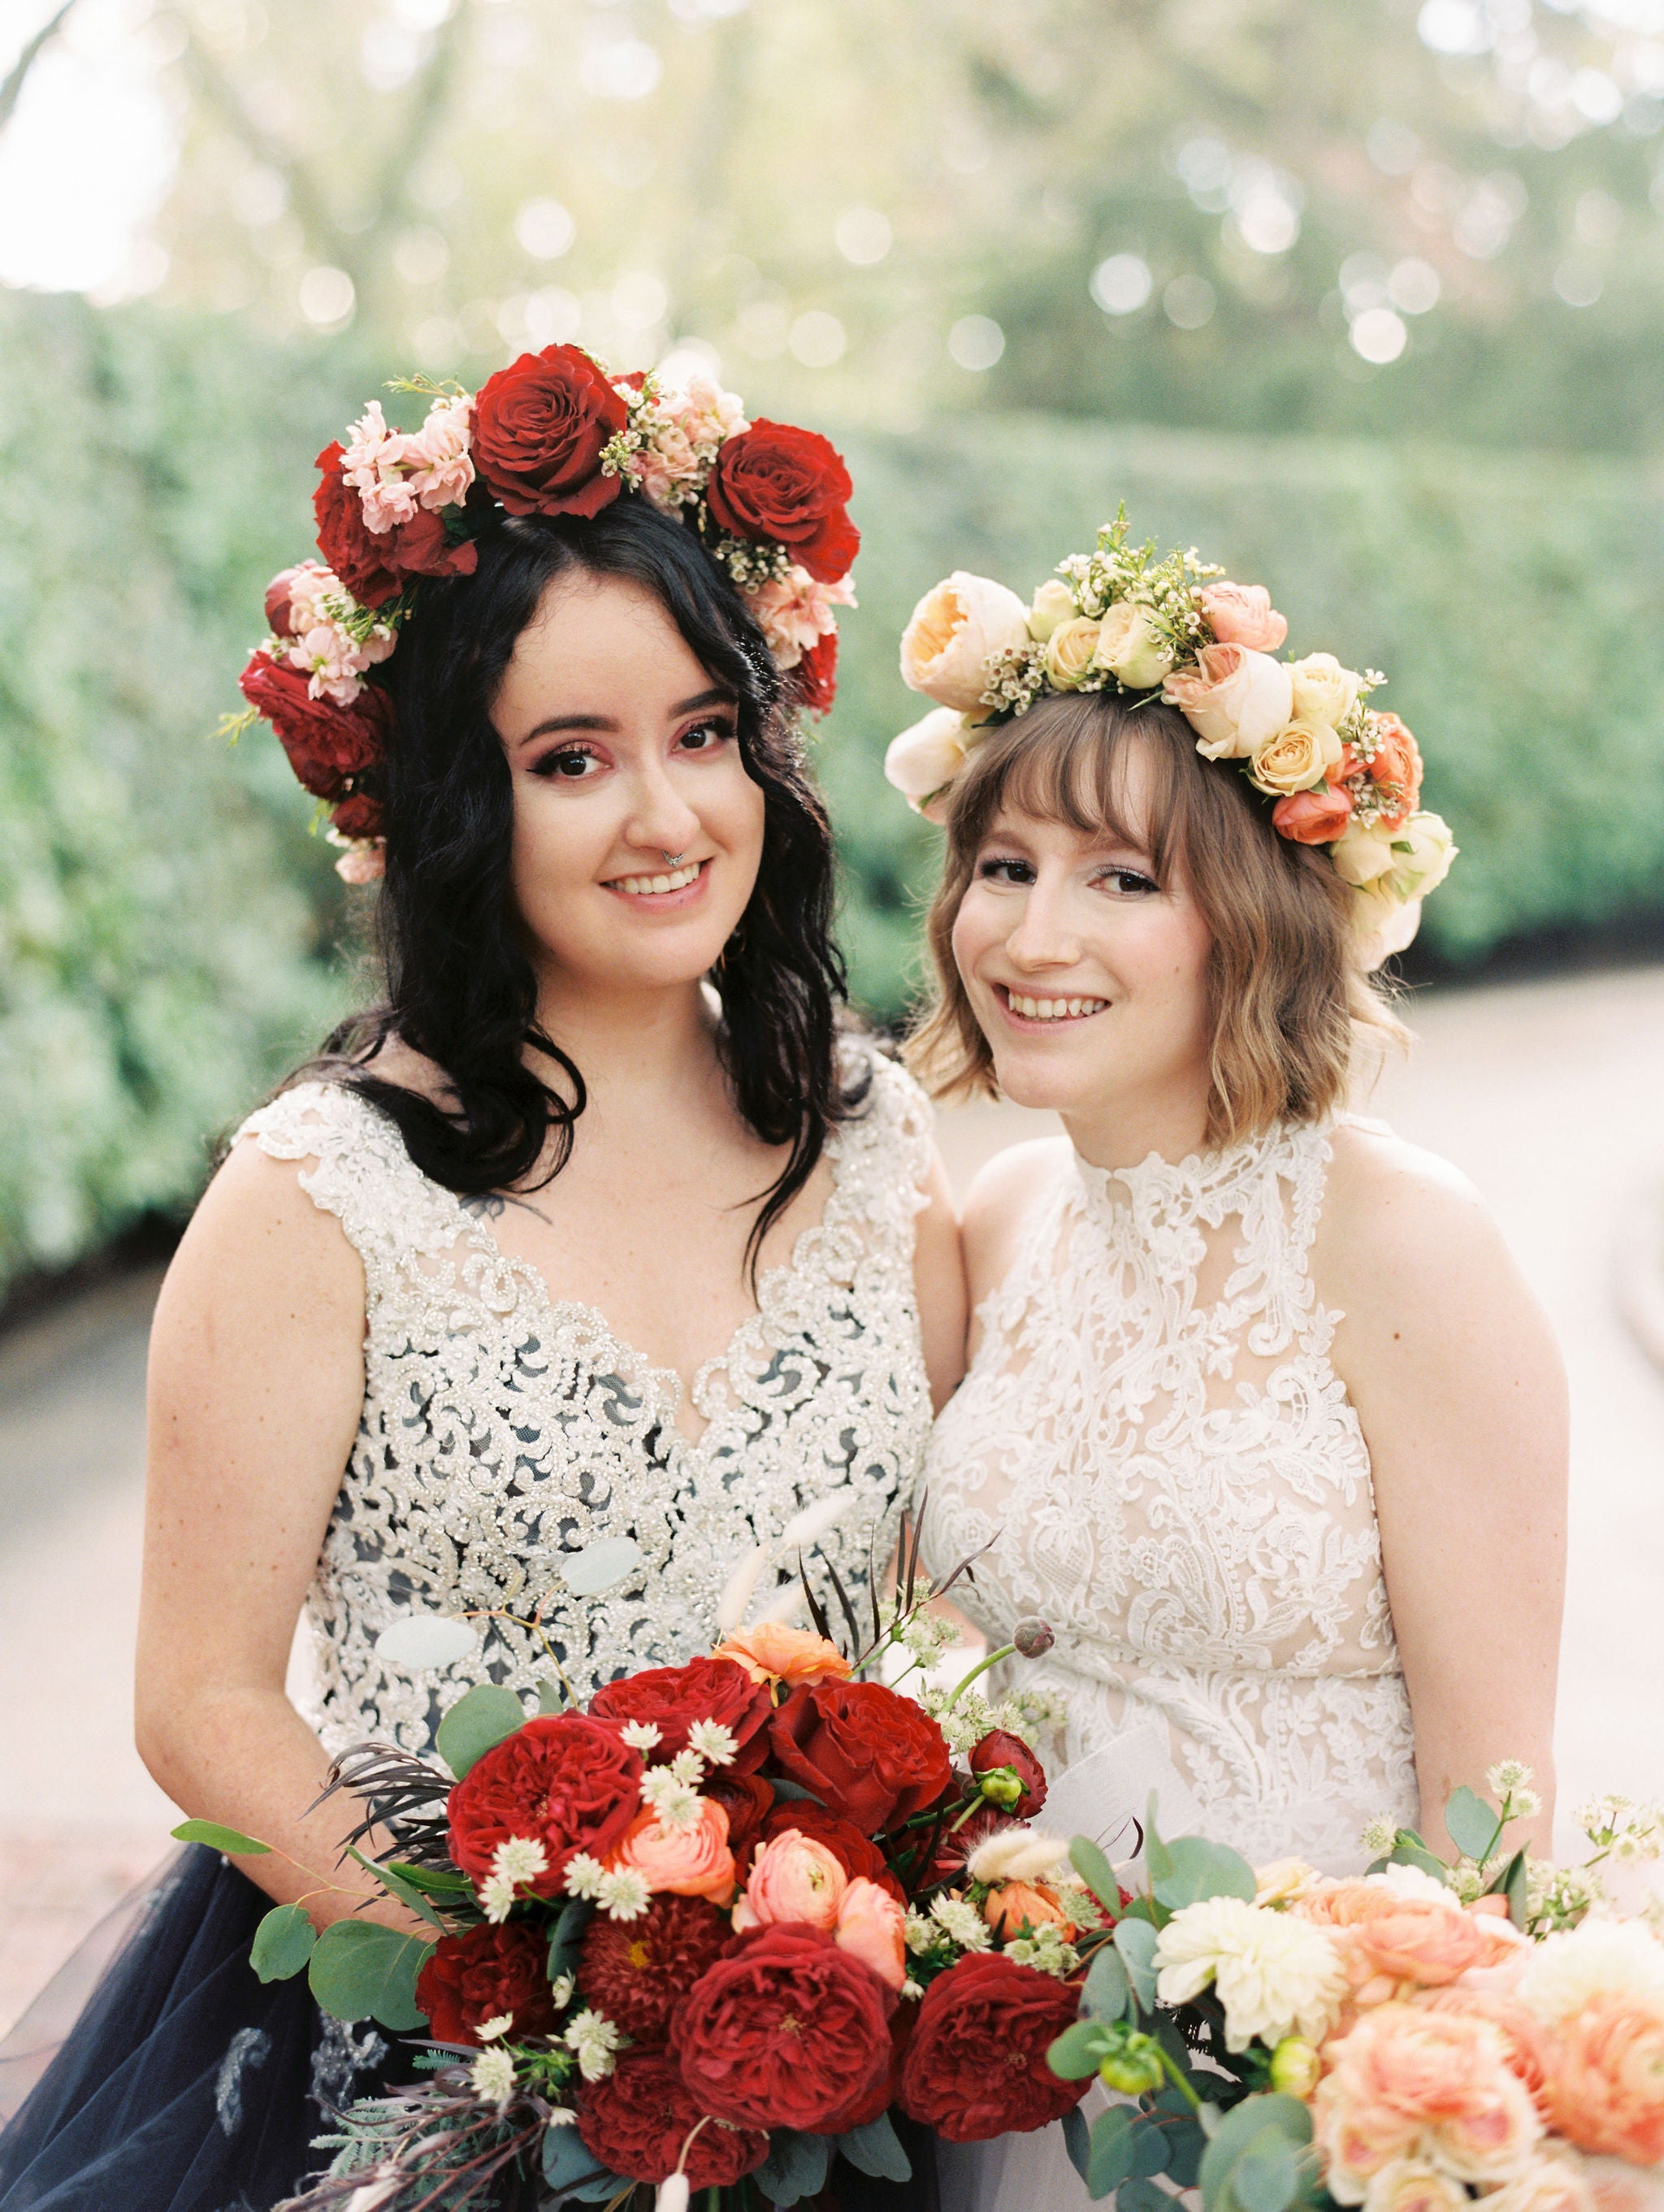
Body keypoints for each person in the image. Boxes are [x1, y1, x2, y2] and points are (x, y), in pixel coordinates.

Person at [0, 352, 963, 2212]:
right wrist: (550, 2005)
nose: (667, 813)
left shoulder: (877, 1139)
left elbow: (933, 1615)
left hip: (821, 2062)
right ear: (458, 800)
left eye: (703, 731)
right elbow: (200, 1699)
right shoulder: (315, 1196)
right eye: (571, 760)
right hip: (440, 2066)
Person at [884, 534, 1566, 2205]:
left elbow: (1489, 1808)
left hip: (1287, 2103)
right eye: (1004, 865)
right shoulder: (999, 1216)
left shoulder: (1405, 1245)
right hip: (1009, 2072)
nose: (1033, 932)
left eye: (1121, 879)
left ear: (1249, 917)